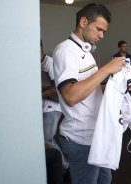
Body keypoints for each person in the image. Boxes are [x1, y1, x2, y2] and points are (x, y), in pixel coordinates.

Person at [52, 3, 126, 184]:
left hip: (96, 135)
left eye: (104, 32)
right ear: (83, 21)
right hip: (80, 139)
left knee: (104, 180)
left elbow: (88, 88)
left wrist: (111, 87)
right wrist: (107, 69)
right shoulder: (65, 51)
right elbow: (70, 95)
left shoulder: (84, 50)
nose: (101, 35)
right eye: (99, 29)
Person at [41, 40, 69, 171]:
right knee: (45, 141)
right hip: (44, 106)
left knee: (48, 140)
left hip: (53, 107)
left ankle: (64, 166)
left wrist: (39, 94)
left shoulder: (49, 63)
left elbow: (57, 89)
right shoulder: (37, 64)